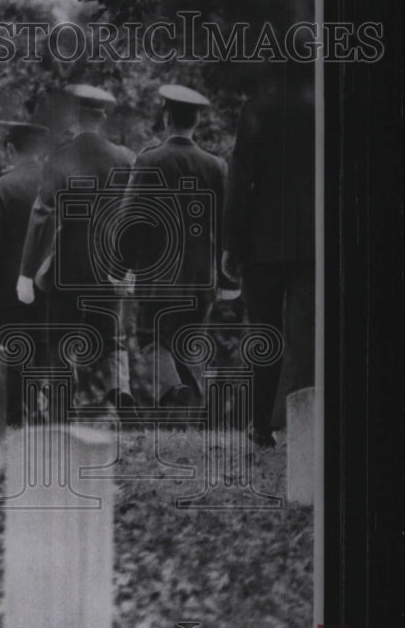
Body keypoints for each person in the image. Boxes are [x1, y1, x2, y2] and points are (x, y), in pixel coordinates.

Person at [17, 84, 136, 419]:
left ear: (76, 116)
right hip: (112, 266)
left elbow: (41, 215)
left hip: (68, 266)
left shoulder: (60, 157)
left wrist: (26, 273)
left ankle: (59, 410)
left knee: (61, 340)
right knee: (113, 338)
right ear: (103, 117)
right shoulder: (126, 159)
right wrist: (132, 267)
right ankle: (120, 392)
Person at [222, 63, 315, 447]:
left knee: (265, 333)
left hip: (263, 240)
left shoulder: (257, 108)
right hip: (315, 237)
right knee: (308, 335)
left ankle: (261, 427)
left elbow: (242, 177)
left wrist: (231, 242)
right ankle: (308, 424)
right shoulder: (325, 105)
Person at [120, 84, 228, 409]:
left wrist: (119, 267)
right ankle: (187, 416)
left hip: (159, 275)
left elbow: (131, 220)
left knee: (152, 339)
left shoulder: (150, 160)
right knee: (190, 343)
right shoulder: (217, 166)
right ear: (195, 122)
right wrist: (228, 279)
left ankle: (172, 390)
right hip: (201, 275)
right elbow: (226, 226)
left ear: (166, 117)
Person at [0, 120, 50, 425]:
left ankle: (16, 418)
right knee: (46, 350)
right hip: (52, 284)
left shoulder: (1, 186)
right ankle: (47, 415)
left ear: (9, 149)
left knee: (14, 353)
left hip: (9, 288)